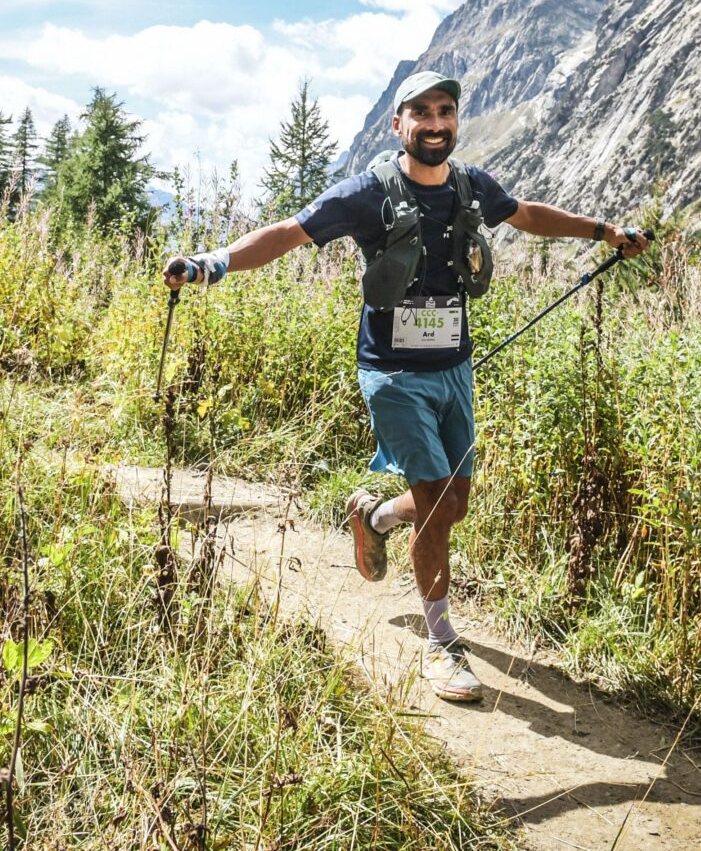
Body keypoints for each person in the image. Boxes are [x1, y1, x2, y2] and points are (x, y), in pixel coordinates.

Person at [163, 69, 649, 702]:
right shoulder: (368, 194)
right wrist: (212, 264)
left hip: (454, 369)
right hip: (392, 375)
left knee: (454, 503)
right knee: (442, 506)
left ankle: (376, 514)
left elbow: (527, 215)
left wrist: (603, 232)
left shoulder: (472, 187)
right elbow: (287, 233)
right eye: (421, 113)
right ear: (399, 124)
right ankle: (442, 645)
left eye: (446, 111)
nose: (436, 123)